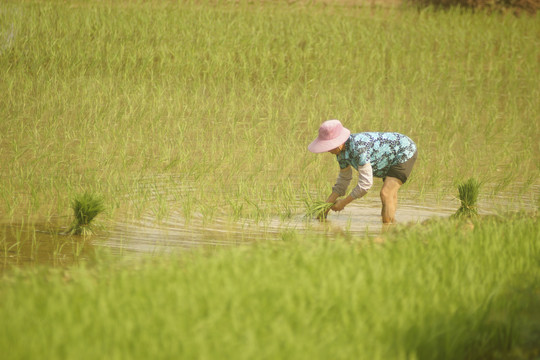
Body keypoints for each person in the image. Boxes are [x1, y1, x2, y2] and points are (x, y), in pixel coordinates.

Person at [308, 119, 418, 224]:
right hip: (389, 157)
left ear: (339, 142)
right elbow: (343, 181)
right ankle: (392, 228)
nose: (328, 150)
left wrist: (343, 203)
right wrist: (325, 207)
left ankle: (387, 231)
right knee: (389, 196)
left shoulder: (358, 148)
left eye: (329, 146)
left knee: (386, 193)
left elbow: (365, 184)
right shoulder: (340, 154)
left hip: (404, 150)